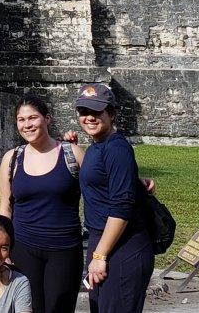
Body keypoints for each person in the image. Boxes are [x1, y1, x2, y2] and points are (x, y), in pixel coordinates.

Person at [0, 95, 85, 313]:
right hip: (23, 248)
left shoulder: (71, 154)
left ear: (47, 119)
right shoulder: (12, 158)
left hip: (64, 250)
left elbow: (100, 185)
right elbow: (5, 208)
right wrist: (2, 247)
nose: (27, 124)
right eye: (21, 119)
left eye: (33, 118)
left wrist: (136, 181)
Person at [74, 84, 154, 313]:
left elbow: (121, 207)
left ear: (112, 114)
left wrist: (100, 255)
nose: (89, 117)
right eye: (83, 112)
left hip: (122, 247)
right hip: (104, 241)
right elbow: (109, 180)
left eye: (96, 112)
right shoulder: (98, 146)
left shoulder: (117, 148)